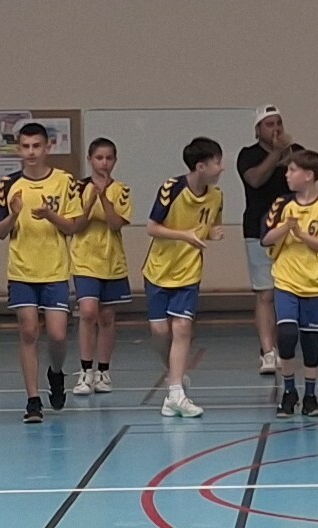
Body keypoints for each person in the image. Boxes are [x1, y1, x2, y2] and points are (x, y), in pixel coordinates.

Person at [0, 123, 83, 423]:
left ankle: (55, 372)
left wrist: (50, 215)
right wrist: (13, 214)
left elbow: (72, 227)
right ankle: (33, 399)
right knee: (29, 331)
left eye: (36, 146)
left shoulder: (64, 181)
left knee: (58, 335)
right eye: (25, 146)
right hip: (22, 270)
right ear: (18, 149)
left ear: (47, 147)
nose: (31, 152)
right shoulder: (8, 184)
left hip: (55, 269)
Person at [144, 137, 224, 418]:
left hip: (189, 272)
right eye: (217, 162)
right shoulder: (172, 189)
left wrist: (213, 233)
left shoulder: (217, 196)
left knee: (181, 328)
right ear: (201, 166)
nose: (221, 168)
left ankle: (176, 392)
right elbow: (152, 227)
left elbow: (210, 225)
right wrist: (184, 235)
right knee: (159, 332)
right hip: (159, 270)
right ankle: (174, 376)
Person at [261, 150, 318, 418]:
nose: (287, 175)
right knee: (286, 335)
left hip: (315, 282)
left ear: (308, 175)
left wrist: (302, 235)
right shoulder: (283, 205)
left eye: (292, 170)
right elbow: (266, 238)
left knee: (311, 340)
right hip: (286, 279)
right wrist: (286, 227)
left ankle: (310, 395)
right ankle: (288, 391)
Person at [237, 105, 304, 375]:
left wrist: (289, 154)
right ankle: (267, 351)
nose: (275, 129)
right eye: (269, 124)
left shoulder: (296, 152)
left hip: (293, 231)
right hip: (258, 229)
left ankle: (287, 346)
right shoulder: (248, 155)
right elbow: (255, 180)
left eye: (278, 123)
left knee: (289, 290)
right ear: (258, 130)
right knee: (265, 292)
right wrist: (276, 153)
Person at [70, 138, 133, 395]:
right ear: (90, 160)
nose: (103, 163)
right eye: (99, 158)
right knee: (87, 312)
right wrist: (90, 200)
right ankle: (85, 371)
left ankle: (103, 371)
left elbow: (115, 223)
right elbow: (76, 225)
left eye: (108, 158)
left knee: (107, 317)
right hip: (84, 260)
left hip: (112, 260)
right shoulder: (77, 188)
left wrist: (105, 197)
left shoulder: (121, 190)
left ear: (115, 161)